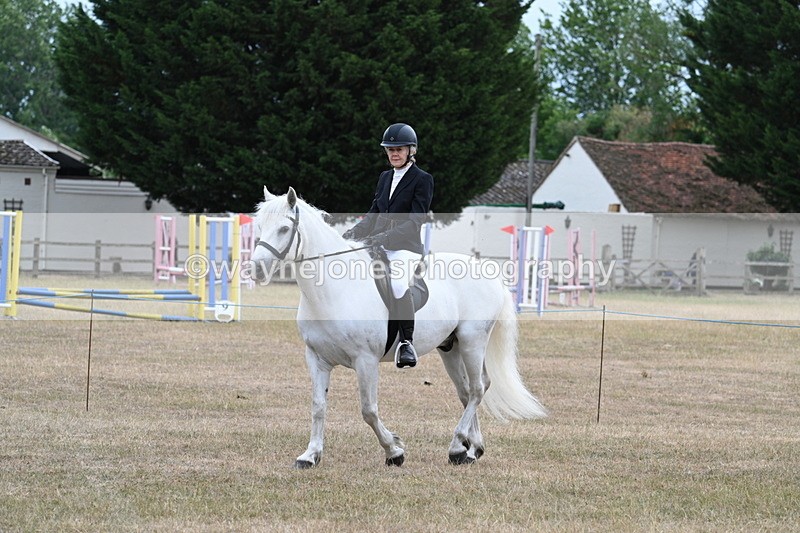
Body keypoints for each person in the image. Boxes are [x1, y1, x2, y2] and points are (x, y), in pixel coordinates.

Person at [342, 123, 434, 368]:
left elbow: (415, 221)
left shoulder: (423, 179)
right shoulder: (385, 177)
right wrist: (353, 233)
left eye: (399, 149)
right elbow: (374, 212)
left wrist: (385, 237)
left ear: (411, 151)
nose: (394, 153)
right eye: (390, 149)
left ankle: (406, 343)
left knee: (398, 283)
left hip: (405, 248)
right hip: (379, 245)